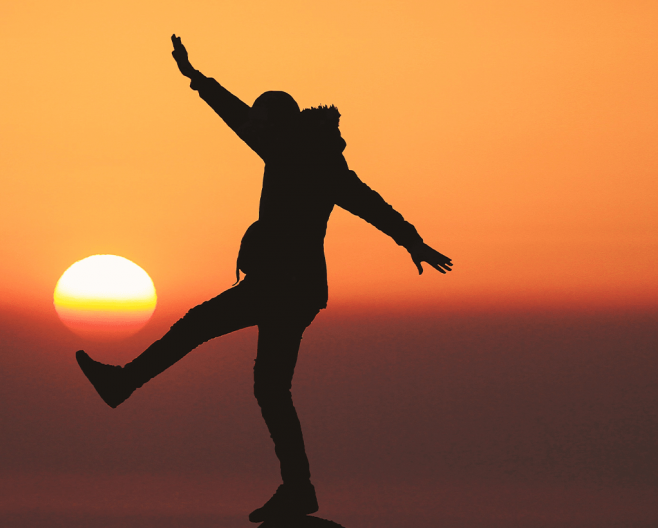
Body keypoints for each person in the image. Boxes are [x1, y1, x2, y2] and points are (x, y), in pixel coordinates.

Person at [76, 34, 453, 523]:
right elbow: (245, 122)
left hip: (281, 286)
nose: (254, 131)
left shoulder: (299, 155)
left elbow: (369, 203)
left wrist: (412, 240)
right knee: (270, 388)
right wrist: (197, 80)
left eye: (261, 124)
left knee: (199, 327)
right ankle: (298, 489)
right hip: (295, 290)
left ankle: (123, 384)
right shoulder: (308, 153)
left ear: (275, 124)